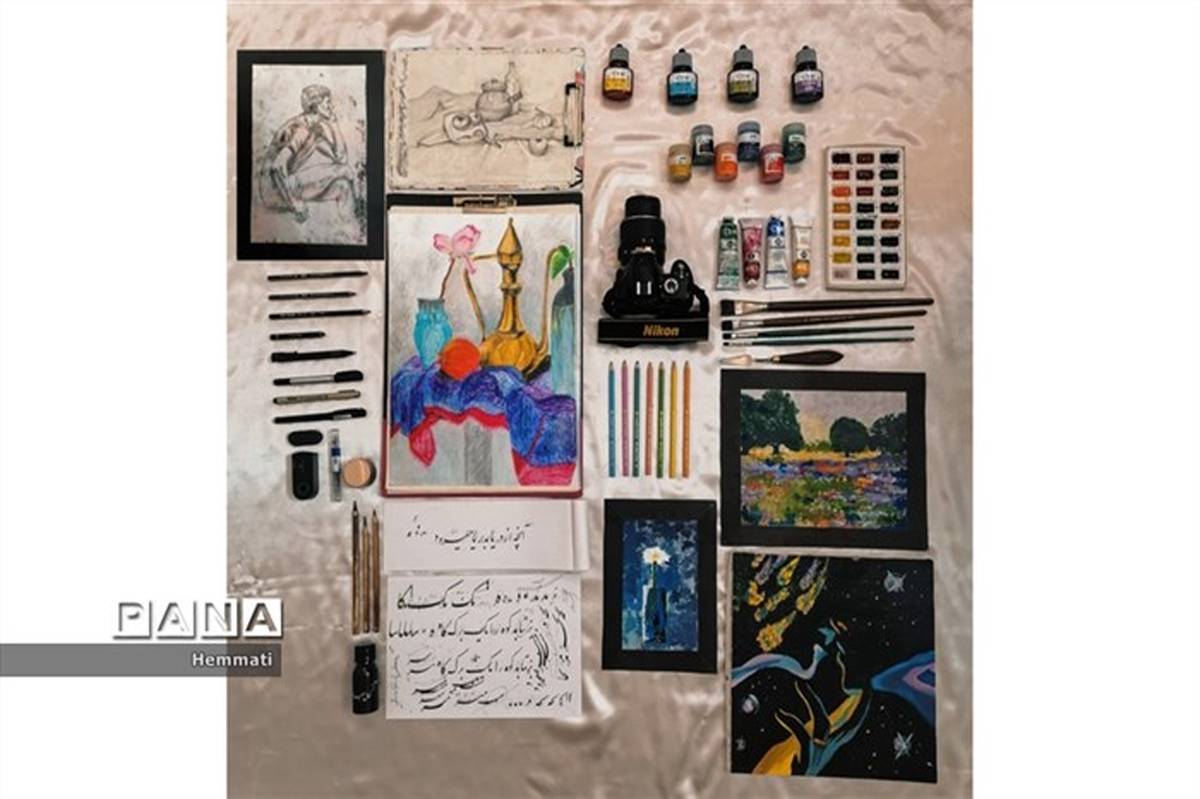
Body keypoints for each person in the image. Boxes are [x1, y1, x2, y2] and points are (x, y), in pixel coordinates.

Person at [258, 84, 357, 223]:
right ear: (316, 106)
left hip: (287, 184)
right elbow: (277, 166)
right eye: (327, 102)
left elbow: (341, 158)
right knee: (343, 171)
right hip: (275, 188)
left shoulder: (316, 127)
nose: (331, 106)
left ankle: (350, 228)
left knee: (343, 186)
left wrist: (335, 126)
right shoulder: (301, 129)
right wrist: (295, 203)